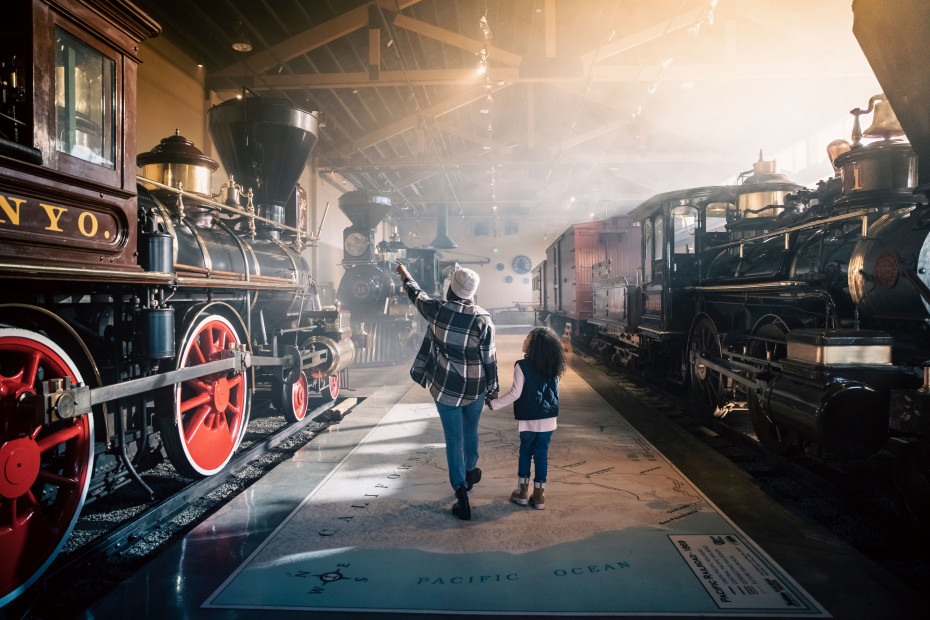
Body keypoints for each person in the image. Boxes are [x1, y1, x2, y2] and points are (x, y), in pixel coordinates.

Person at [395, 260, 498, 521]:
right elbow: (489, 359)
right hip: (474, 387)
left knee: (453, 440)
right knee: (470, 431)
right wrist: (493, 388)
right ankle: (470, 470)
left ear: (451, 289)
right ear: (472, 294)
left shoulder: (437, 311)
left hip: (445, 389)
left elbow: (416, 296)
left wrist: (406, 275)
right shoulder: (483, 319)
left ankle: (461, 491)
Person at [488, 326, 565, 510]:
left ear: (534, 345)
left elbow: (515, 393)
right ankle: (539, 496)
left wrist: (494, 404)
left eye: (527, 338)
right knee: (541, 455)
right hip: (548, 418)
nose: (524, 341)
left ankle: (522, 492)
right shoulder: (553, 364)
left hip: (529, 417)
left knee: (525, 452)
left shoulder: (521, 366)